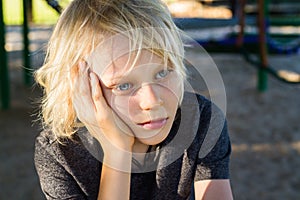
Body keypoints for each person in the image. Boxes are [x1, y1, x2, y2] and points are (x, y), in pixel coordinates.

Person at [34, 0, 233, 199]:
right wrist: (117, 151)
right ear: (80, 87)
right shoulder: (58, 152)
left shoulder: (202, 120)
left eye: (162, 72)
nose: (152, 101)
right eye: (123, 86)